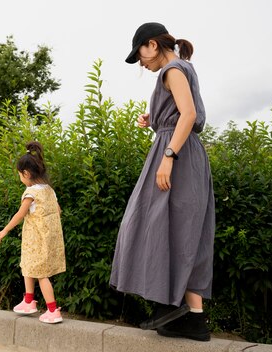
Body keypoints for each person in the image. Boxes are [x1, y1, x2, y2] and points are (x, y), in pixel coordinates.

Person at [109, 22, 215, 341]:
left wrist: (168, 154)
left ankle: (163, 305)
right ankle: (192, 319)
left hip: (177, 155)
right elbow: (179, 114)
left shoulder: (172, 70)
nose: (141, 61)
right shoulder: (183, 69)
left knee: (147, 223)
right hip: (186, 153)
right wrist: (154, 120)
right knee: (184, 230)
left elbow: (188, 114)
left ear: (153, 45)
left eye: (140, 53)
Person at [0, 141, 66, 324]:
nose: (20, 179)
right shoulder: (49, 190)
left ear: (26, 173)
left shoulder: (31, 192)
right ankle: (28, 301)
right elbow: (58, 211)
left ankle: (52, 310)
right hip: (45, 240)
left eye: (20, 175)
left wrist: (5, 231)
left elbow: (20, 214)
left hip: (37, 240)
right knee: (27, 266)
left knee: (41, 275)